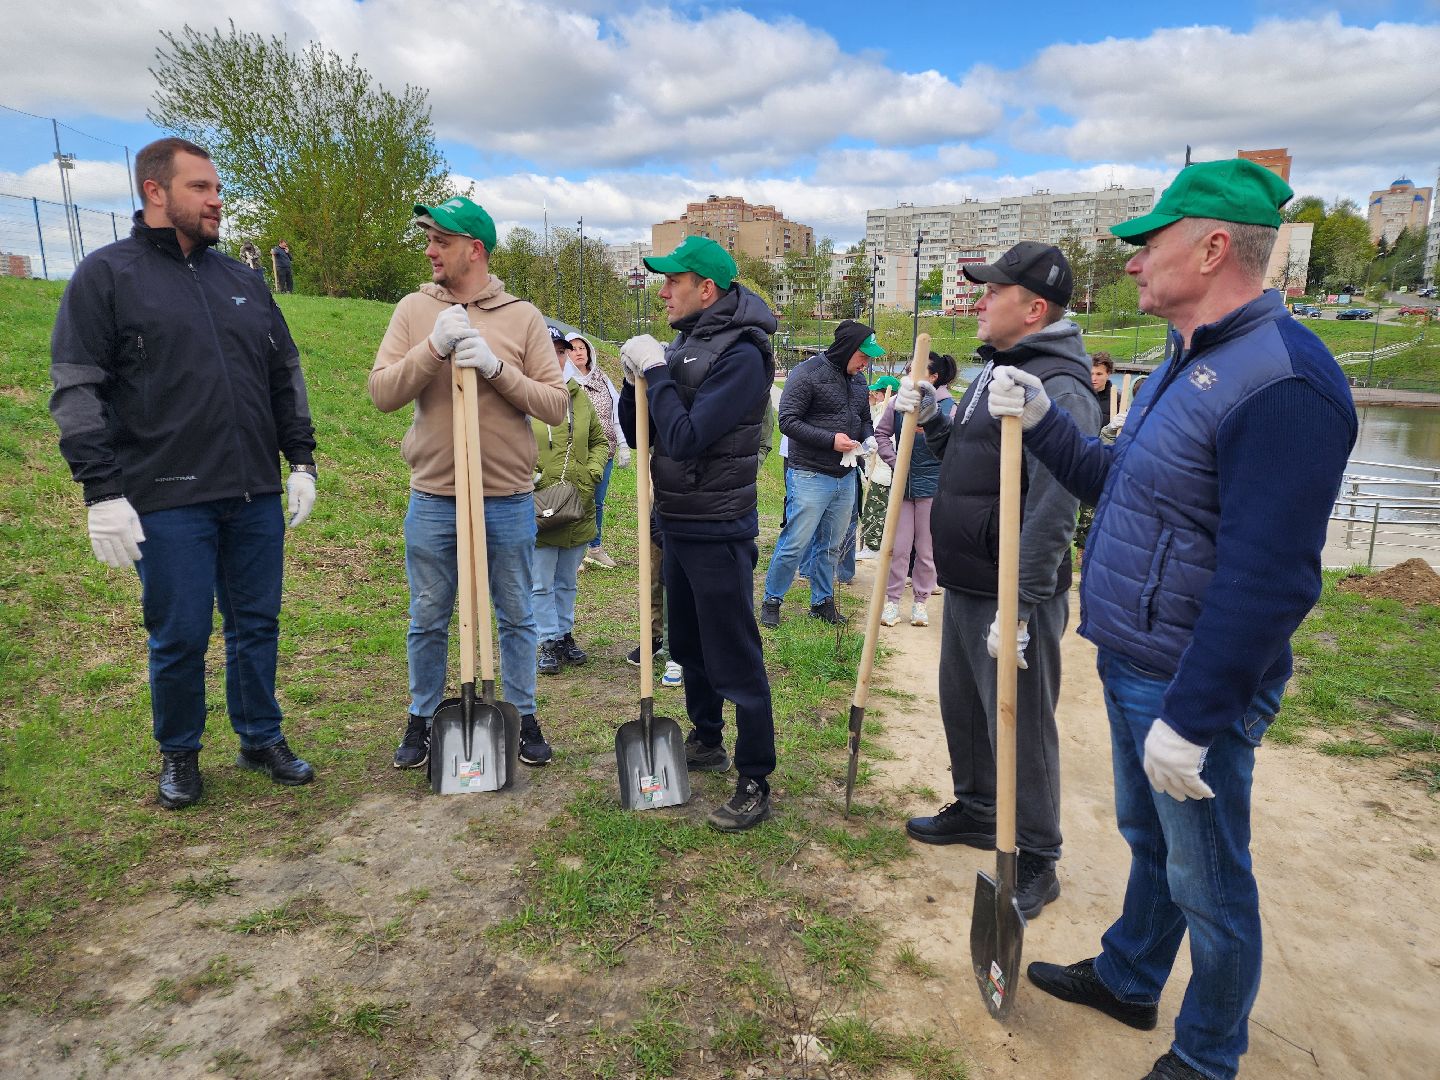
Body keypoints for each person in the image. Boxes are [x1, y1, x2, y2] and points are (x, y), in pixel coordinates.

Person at [988, 160, 1356, 1080]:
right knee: (1149, 842)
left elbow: (1270, 580)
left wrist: (1193, 721)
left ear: (1215, 246)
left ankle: (1205, 1056)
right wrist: (1040, 420)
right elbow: (1122, 489)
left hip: (1190, 680)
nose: (1135, 261)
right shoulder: (1185, 362)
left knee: (1210, 881)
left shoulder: (1283, 381)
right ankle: (1130, 976)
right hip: (1136, 655)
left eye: (1151, 243)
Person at [49, 137, 318, 809]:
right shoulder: (107, 277)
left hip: (253, 490)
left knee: (257, 623)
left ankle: (260, 735)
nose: (216, 198)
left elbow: (283, 372)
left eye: (216, 187)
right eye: (200, 187)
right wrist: (102, 492)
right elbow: (76, 388)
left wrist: (301, 458)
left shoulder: (242, 281)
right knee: (181, 634)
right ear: (154, 192)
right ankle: (180, 752)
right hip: (166, 497)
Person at [897, 241, 1101, 921]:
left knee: (1021, 723)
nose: (978, 301)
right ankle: (981, 808)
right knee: (966, 703)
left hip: (1015, 591)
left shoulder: (1060, 385)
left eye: (992, 291)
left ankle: (1038, 855)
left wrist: (1022, 604)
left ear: (1034, 307)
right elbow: (967, 463)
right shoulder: (998, 370)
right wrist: (933, 420)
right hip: (972, 578)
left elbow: (1054, 504)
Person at [369, 196, 568, 772]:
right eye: (428, 240)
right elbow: (383, 393)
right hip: (435, 495)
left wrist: (497, 370)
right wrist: (432, 349)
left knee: (516, 613)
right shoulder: (412, 310)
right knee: (429, 614)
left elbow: (554, 406)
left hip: (505, 497)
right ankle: (423, 716)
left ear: (474, 250)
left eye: (442, 241)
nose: (430, 251)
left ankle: (523, 713)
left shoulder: (522, 317)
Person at [618, 235, 777, 831]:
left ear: (705, 289)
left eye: (672, 282)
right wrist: (637, 381)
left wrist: (656, 373)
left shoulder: (743, 354)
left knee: (733, 654)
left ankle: (755, 775)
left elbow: (687, 438)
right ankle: (706, 738)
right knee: (686, 645)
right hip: (677, 522)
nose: (662, 291)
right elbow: (647, 439)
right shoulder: (687, 345)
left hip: (718, 526)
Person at [759, 320, 883, 628]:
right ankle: (772, 599)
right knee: (795, 542)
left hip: (845, 475)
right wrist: (831, 440)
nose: (866, 362)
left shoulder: (859, 381)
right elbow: (787, 421)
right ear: (846, 349)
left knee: (833, 544)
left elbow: (864, 418)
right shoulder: (807, 374)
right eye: (863, 355)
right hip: (809, 475)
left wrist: (868, 437)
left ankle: (822, 601)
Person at [533, 366, 608, 675]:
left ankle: (564, 635)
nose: (554, 356)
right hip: (541, 506)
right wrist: (533, 476)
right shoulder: (524, 394)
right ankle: (546, 640)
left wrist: (591, 474)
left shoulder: (579, 397)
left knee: (567, 580)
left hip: (579, 503)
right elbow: (505, 442)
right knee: (540, 582)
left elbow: (599, 442)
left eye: (560, 350)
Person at [873, 352, 958, 628]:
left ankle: (920, 603)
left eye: (916, 370)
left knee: (926, 548)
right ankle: (892, 602)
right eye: (909, 369)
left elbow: (954, 446)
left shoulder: (947, 407)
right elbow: (882, 434)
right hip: (903, 487)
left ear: (933, 377)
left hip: (932, 488)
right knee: (898, 548)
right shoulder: (898, 402)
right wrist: (895, 461)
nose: (910, 373)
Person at [562, 331, 630, 569]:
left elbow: (617, 410)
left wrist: (623, 444)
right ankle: (575, 551)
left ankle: (595, 547)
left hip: (605, 451)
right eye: (572, 348)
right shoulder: (563, 380)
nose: (578, 352)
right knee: (579, 499)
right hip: (577, 452)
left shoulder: (601, 378)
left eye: (582, 347)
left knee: (597, 502)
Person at [857, 376, 899, 559]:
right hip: (879, 469)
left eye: (877, 392)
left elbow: (883, 438)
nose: (874, 394)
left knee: (875, 508)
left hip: (884, 470)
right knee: (878, 508)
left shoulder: (892, 410)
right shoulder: (884, 408)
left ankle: (873, 547)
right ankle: (876, 545)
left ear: (885, 392)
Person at [1090, 351, 1115, 427]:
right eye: (1091, 374)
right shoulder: (1078, 397)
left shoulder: (1117, 400)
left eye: (1099, 374)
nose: (1094, 378)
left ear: (1108, 374)